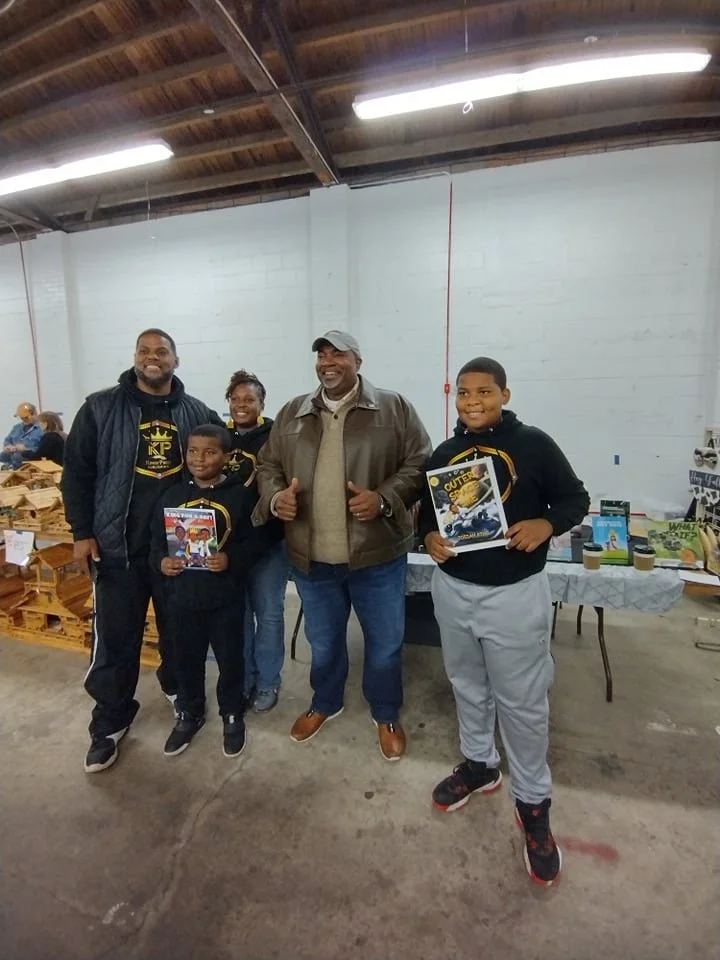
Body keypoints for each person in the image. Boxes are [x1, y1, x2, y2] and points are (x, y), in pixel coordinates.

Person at [418, 357, 590, 886]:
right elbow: (428, 514)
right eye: (464, 392)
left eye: (484, 392)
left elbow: (576, 498)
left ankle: (533, 803)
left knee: (522, 701)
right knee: (466, 683)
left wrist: (547, 523)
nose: (473, 401)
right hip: (454, 590)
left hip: (514, 595)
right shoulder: (444, 454)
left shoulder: (534, 443)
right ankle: (480, 764)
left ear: (505, 395)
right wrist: (428, 538)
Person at [254, 330, 432, 760]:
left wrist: (384, 498)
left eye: (338, 354)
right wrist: (276, 498)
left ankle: (386, 712)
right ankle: (325, 701)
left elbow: (421, 460)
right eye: (322, 354)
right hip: (312, 559)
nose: (328, 362)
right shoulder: (293, 412)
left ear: (358, 361)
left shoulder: (394, 407)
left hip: (377, 556)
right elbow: (267, 464)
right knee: (324, 642)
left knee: (385, 644)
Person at [61, 329, 223, 774]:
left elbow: (226, 462)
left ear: (176, 360)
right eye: (145, 351)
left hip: (178, 553)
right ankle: (110, 722)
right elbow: (76, 474)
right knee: (116, 640)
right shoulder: (100, 408)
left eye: (162, 352)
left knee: (181, 636)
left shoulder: (197, 411)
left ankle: (183, 697)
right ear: (135, 357)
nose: (153, 358)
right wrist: (81, 532)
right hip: (118, 551)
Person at [152, 424, 274, 758]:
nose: (199, 459)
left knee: (230, 659)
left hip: (225, 599)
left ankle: (232, 713)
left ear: (227, 456)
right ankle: (189, 712)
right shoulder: (172, 495)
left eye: (210, 452)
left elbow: (260, 541)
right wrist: (162, 562)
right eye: (193, 451)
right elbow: (156, 543)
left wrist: (232, 559)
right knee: (186, 659)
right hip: (182, 598)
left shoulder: (241, 497)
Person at [225, 369, 288, 713]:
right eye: (235, 399)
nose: (241, 404)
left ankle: (267, 682)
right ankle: (245, 679)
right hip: (230, 544)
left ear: (262, 403)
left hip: (268, 542)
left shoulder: (276, 436)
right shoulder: (220, 437)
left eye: (249, 399)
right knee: (238, 616)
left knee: (269, 615)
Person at [1, 402, 43, 469]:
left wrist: (26, 449)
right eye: (21, 418)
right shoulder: (16, 428)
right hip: (13, 466)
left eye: (26, 417)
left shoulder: (42, 429)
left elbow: (44, 451)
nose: (24, 420)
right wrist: (8, 447)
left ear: (34, 414)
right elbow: (7, 441)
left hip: (32, 468)